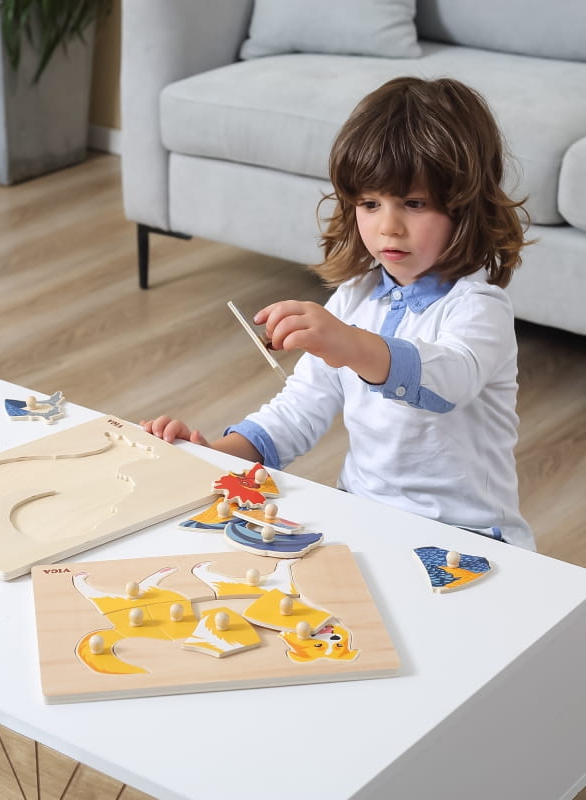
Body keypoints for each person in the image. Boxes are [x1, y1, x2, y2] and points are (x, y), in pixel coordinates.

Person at [141, 76, 534, 550]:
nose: (388, 226)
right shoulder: (354, 296)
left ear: (465, 207)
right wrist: (213, 457)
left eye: (414, 204)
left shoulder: (479, 307)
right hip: (363, 515)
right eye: (370, 203)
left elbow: (448, 382)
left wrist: (350, 344)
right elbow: (298, 412)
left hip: (470, 538)